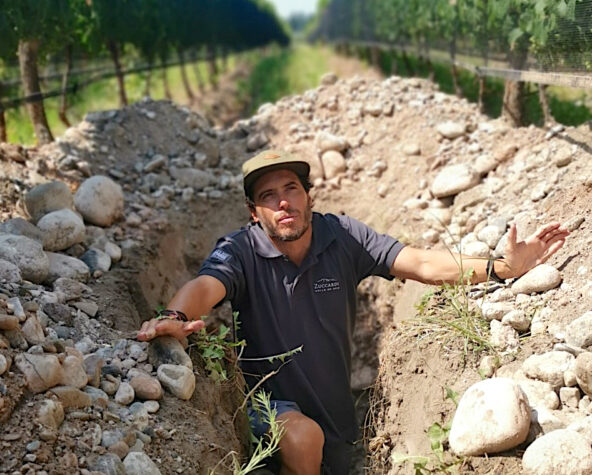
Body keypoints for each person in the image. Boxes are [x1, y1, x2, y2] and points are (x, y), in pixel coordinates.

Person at [138, 149, 568, 474]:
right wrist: (175, 318)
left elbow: (419, 264)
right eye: (268, 196)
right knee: (303, 439)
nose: (283, 202)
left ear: (308, 196)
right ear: (254, 214)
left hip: (337, 417)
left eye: (291, 189)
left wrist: (504, 268)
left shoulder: (342, 236)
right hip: (270, 408)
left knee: (328, 448)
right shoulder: (240, 251)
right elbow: (205, 287)